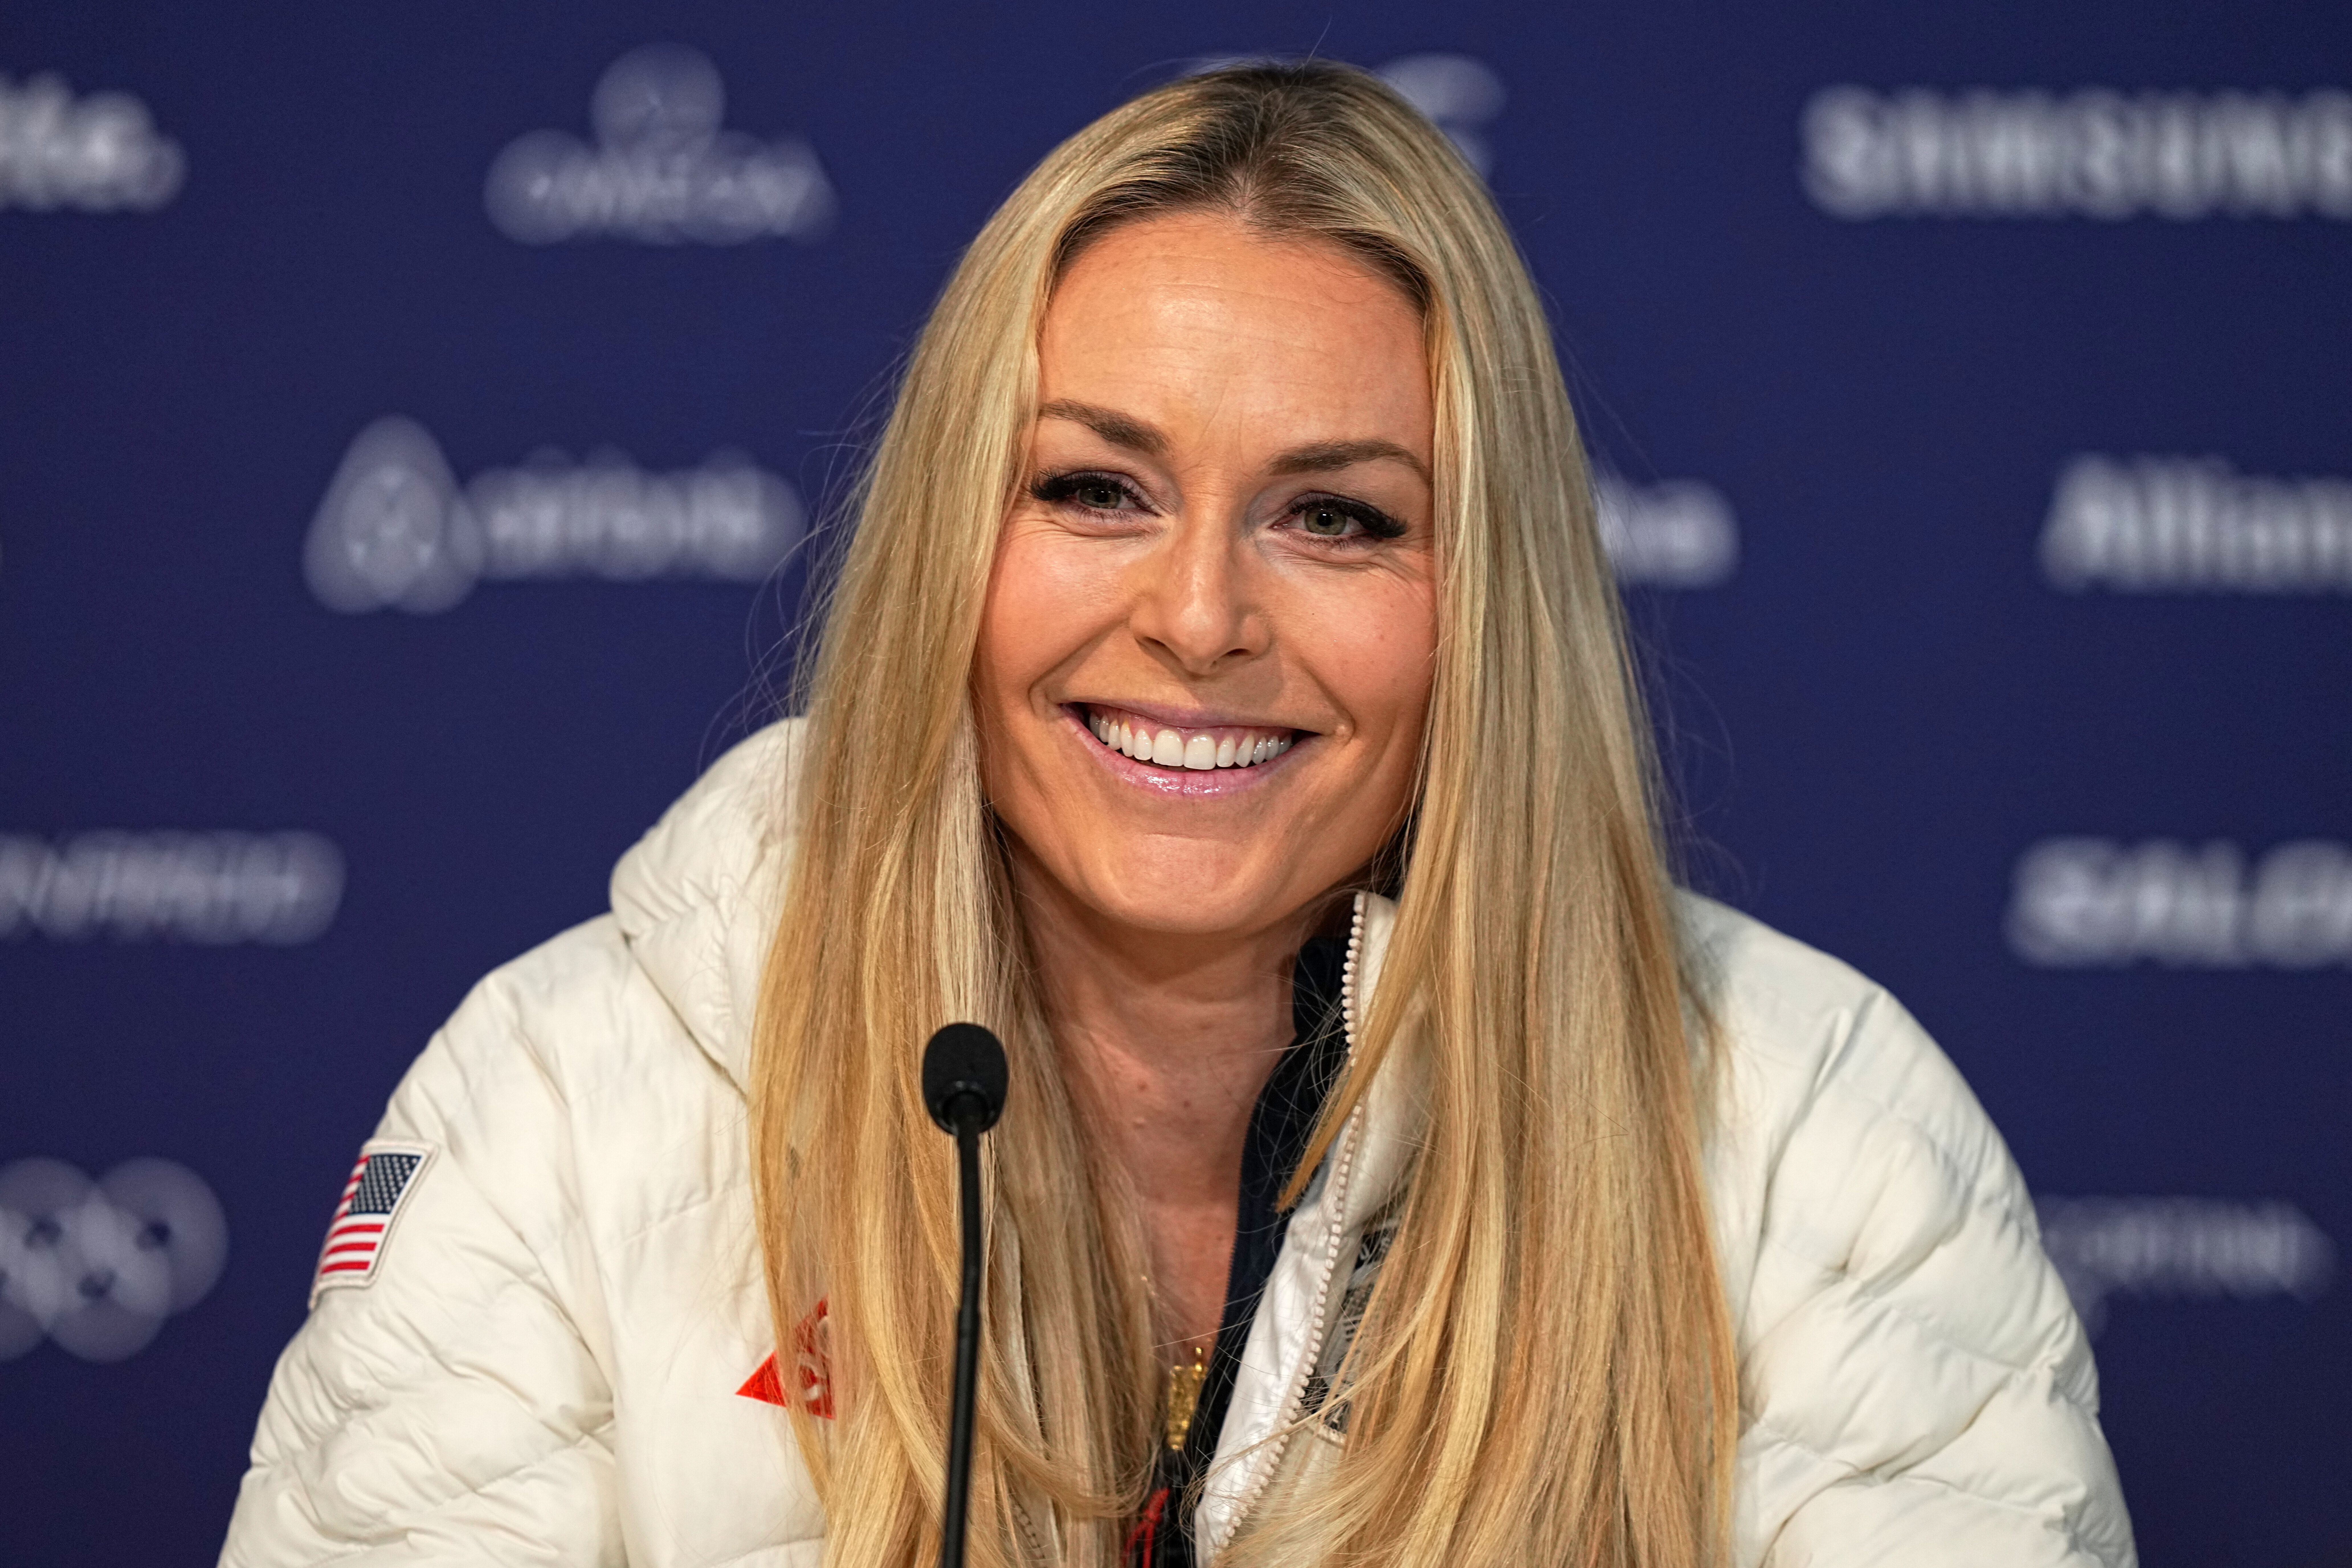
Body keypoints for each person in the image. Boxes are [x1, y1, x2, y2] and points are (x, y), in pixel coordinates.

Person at [220, 62, 2134, 1568]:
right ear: (948, 552)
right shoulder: (565, 1106)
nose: (1202, 618)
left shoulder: (1815, 1142)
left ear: (1487, 609)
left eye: (1340, 517)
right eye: (1095, 490)